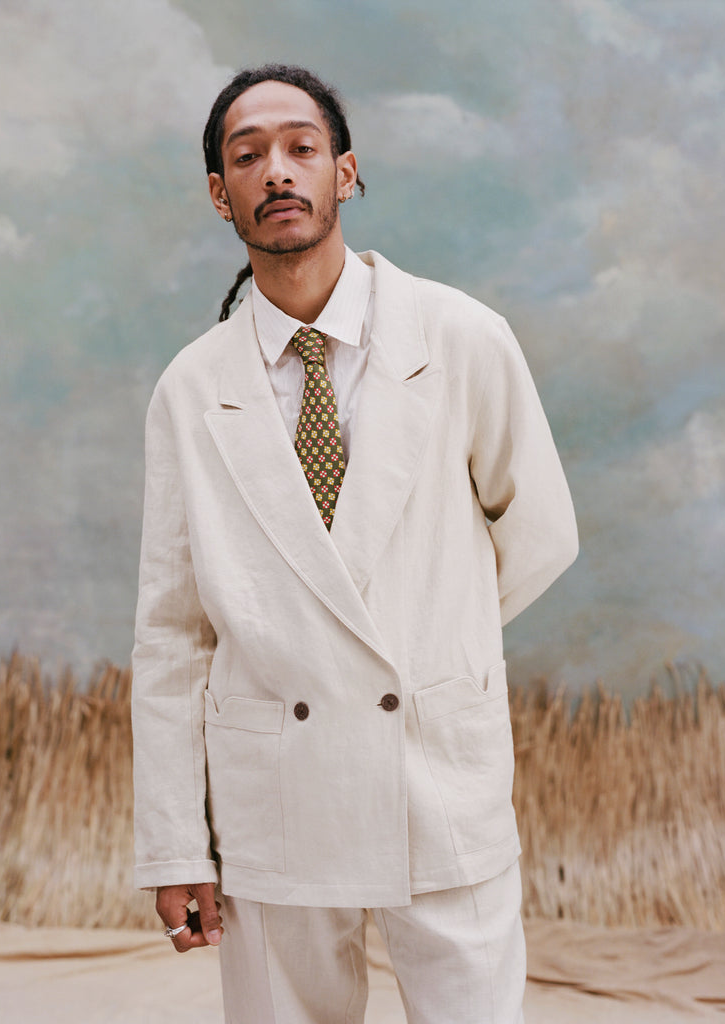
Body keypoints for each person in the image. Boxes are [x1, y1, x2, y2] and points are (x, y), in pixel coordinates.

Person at [132, 63, 578, 1024]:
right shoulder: (189, 388)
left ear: (346, 173)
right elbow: (171, 636)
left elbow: (540, 532)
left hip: (435, 766)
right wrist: (174, 848)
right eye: (247, 156)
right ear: (220, 194)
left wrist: (422, 637)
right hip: (273, 793)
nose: (276, 171)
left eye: (301, 147)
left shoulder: (461, 337)